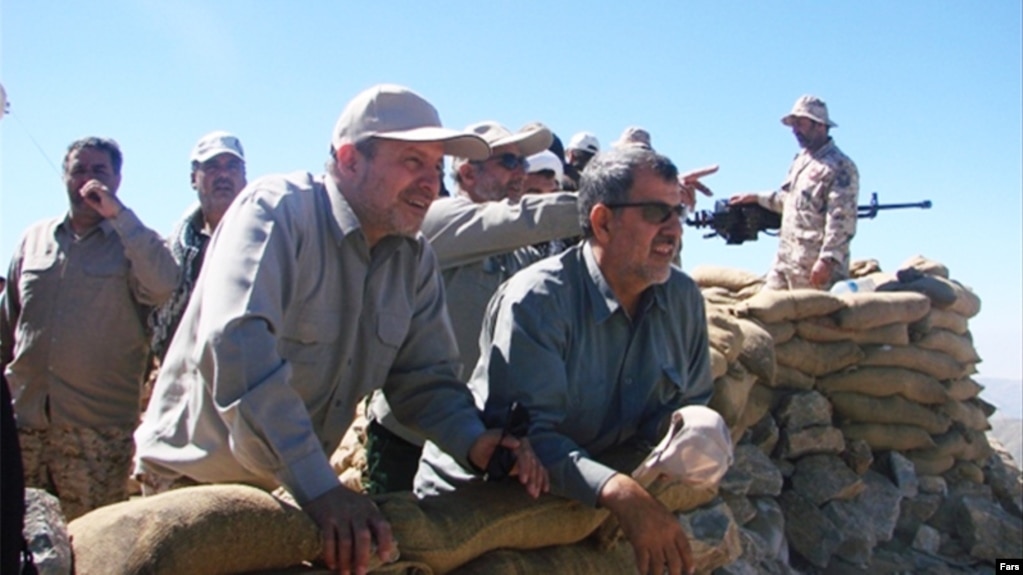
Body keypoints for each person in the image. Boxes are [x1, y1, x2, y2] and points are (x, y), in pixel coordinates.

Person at [133, 84, 547, 575]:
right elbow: (239, 349)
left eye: (436, 168)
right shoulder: (277, 212)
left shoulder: (412, 260)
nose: (431, 186)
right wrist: (323, 489)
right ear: (350, 159)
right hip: (193, 479)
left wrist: (474, 440)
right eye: (413, 162)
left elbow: (424, 380)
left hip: (279, 488)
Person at [415, 146, 732, 575]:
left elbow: (686, 404)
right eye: (657, 212)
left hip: (585, 481)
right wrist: (620, 492)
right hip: (488, 494)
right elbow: (528, 441)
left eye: (678, 213)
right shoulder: (539, 301)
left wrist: (683, 440)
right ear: (603, 222)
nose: (674, 229)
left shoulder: (682, 300)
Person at [363, 121, 581, 493]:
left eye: (523, 164)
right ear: (467, 172)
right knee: (397, 541)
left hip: (476, 435)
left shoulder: (519, 252)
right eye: (509, 161)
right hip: (409, 434)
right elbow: (519, 219)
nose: (520, 173)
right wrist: (622, 204)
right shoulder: (441, 219)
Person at [0, 137, 179, 520]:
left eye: (99, 171)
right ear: (64, 175)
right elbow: (9, 326)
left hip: (95, 437)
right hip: (25, 429)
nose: (87, 179)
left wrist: (120, 216)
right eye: (79, 169)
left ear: (117, 179)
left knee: (92, 549)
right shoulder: (33, 241)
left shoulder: (133, 243)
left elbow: (165, 283)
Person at [729, 95, 859, 290]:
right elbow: (788, 201)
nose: (795, 130)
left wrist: (827, 259)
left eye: (801, 124)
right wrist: (756, 197)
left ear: (820, 126)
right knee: (767, 309)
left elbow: (842, 219)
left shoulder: (840, 166)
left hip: (814, 270)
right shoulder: (800, 162)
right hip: (785, 262)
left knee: (813, 319)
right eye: (793, 125)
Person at [148, 131, 247, 362]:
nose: (223, 174)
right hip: (183, 369)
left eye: (232, 166)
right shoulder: (175, 248)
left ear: (244, 178)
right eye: (212, 167)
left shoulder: (268, 238)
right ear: (194, 178)